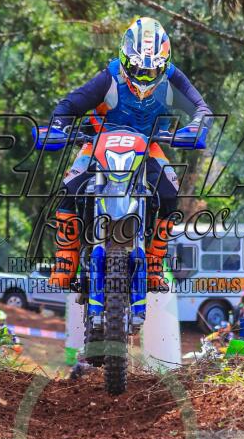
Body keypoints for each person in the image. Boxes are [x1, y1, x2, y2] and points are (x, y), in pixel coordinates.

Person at [46, 17, 212, 291]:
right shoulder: (109, 77)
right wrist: (57, 128)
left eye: (152, 70)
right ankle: (66, 259)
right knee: (70, 185)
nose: (144, 76)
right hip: (98, 143)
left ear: (164, 64)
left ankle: (154, 262)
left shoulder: (172, 79)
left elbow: (201, 108)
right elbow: (69, 105)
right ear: (124, 58)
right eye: (137, 68)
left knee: (169, 191)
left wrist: (197, 127)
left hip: (148, 146)